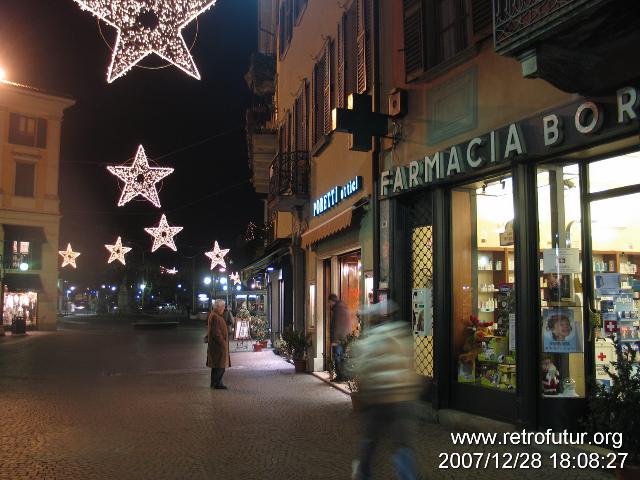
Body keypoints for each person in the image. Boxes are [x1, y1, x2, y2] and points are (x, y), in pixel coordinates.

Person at [351, 300, 422, 480]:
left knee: (371, 438)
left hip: (380, 397)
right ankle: (407, 476)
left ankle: (363, 472)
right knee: (402, 442)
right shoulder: (402, 333)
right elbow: (411, 362)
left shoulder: (369, 340)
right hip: (402, 395)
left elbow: (362, 368)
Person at [206, 299, 231, 389]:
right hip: (218, 346)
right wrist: (223, 343)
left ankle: (215, 383)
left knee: (217, 365)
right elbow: (216, 332)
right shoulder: (215, 316)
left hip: (217, 345)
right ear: (218, 307)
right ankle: (217, 383)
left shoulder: (216, 315)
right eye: (223, 307)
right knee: (220, 366)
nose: (224, 309)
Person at [328, 293, 351, 381]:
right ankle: (344, 376)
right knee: (342, 357)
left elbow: (336, 326)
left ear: (331, 301)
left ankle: (340, 377)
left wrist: (334, 340)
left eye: (329, 303)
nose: (329, 305)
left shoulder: (337, 309)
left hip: (338, 339)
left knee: (337, 357)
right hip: (345, 338)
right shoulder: (344, 307)